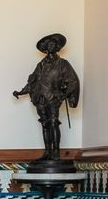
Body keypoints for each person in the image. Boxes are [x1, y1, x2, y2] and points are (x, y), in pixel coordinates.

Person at [13, 32, 80, 162]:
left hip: (53, 98)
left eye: (52, 44)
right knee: (45, 124)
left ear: (57, 47)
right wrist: (21, 92)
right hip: (40, 98)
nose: (50, 46)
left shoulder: (62, 64)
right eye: (48, 44)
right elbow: (32, 81)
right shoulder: (41, 65)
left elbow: (72, 81)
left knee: (54, 123)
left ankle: (56, 153)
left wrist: (64, 95)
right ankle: (47, 152)